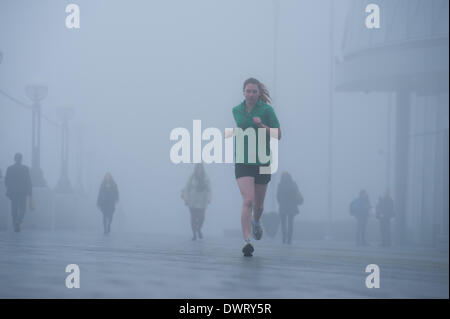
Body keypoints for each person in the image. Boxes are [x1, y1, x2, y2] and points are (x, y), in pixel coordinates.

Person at [228, 77, 281, 257]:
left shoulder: (267, 110)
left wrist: (262, 125)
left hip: (263, 161)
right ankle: (246, 241)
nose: (251, 95)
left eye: (254, 92)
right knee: (248, 200)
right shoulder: (237, 110)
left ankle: (256, 222)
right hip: (243, 160)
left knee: (258, 206)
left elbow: (278, 134)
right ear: (243, 92)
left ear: (259, 93)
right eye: (248, 91)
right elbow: (243, 124)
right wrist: (255, 124)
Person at [181, 163, 211, 240]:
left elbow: (209, 189)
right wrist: (186, 199)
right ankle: (194, 234)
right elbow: (187, 188)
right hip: (192, 200)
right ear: (195, 169)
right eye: (198, 168)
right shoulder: (191, 177)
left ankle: (199, 229)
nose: (199, 170)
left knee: (201, 218)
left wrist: (209, 198)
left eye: (200, 168)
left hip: (202, 200)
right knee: (193, 218)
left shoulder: (206, 177)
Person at [4, 153, 33, 232]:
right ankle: (19, 221)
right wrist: (30, 192)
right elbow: (28, 181)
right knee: (22, 208)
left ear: (15, 159)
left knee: (14, 208)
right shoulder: (25, 168)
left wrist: (10, 188)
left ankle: (15, 224)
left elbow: (6, 181)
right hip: (23, 192)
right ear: (21, 159)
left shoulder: (10, 168)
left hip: (13, 192)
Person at [277, 172, 303, 244]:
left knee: (288, 223)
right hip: (287, 206)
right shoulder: (291, 184)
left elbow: (278, 196)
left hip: (287, 206)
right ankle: (285, 238)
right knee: (286, 224)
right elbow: (278, 196)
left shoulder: (281, 185)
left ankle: (288, 238)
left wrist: (281, 201)